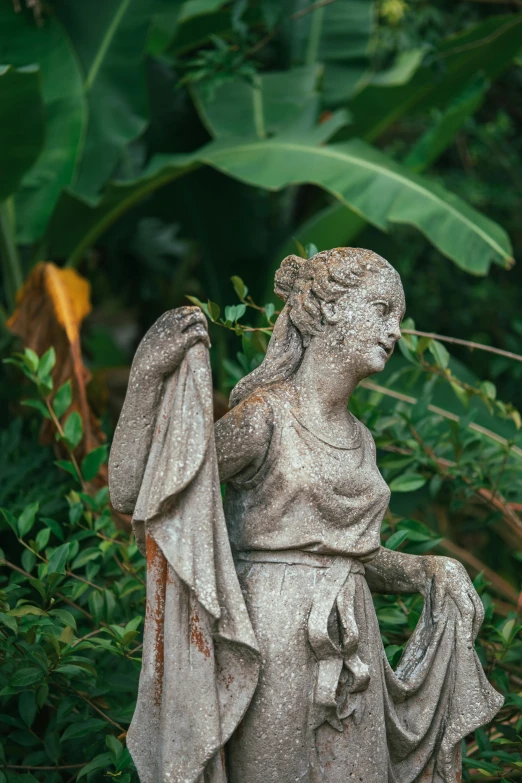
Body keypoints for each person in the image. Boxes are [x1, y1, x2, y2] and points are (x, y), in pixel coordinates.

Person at [110, 248, 501, 783]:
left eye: (397, 317)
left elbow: (351, 554)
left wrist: (426, 570)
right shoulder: (264, 418)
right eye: (383, 309)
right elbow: (137, 492)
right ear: (332, 309)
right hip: (273, 642)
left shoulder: (360, 438)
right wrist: (147, 378)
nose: (395, 331)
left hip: (354, 647)